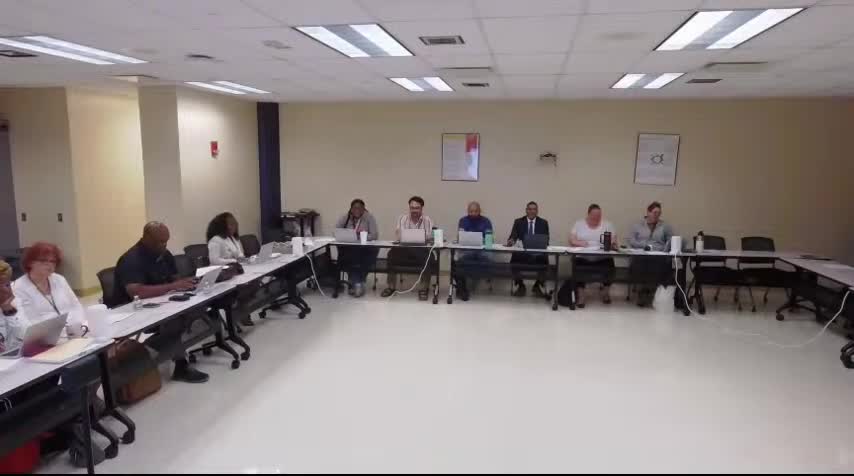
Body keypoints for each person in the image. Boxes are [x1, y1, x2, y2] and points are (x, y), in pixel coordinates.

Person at [113, 222, 208, 383]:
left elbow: (174, 279)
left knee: (195, 308)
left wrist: (187, 283)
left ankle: (159, 347)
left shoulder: (164, 254)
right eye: (160, 242)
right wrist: (172, 286)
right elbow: (136, 292)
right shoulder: (131, 259)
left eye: (166, 241)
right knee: (174, 321)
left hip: (160, 301)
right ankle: (179, 364)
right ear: (146, 238)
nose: (164, 245)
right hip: (131, 309)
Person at [12, 242, 87, 330]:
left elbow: (76, 305)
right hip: (43, 334)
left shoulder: (59, 279)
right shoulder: (18, 287)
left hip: (73, 329)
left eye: (53, 261)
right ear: (30, 262)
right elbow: (23, 322)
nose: (49, 264)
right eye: (43, 261)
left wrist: (79, 324)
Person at [382, 196, 436, 300]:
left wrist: (413, 237)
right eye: (412, 208)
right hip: (404, 249)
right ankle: (391, 287)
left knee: (430, 257)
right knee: (391, 254)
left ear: (422, 208)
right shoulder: (402, 218)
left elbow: (429, 237)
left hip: (421, 249)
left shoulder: (427, 220)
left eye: (417, 208)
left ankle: (424, 289)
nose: (414, 210)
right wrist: (416, 236)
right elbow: (399, 235)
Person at [628, 201, 676, 307]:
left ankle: (654, 292)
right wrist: (644, 245)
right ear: (648, 212)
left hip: (659, 256)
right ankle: (643, 292)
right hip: (641, 255)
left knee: (664, 265)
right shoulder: (638, 225)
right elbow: (631, 241)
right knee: (640, 264)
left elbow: (671, 241)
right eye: (655, 212)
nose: (657, 215)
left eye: (659, 213)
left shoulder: (665, 226)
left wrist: (659, 248)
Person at [569, 204, 617, 307]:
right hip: (583, 257)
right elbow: (572, 240)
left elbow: (614, 240)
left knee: (610, 264)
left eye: (599, 215)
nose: (596, 218)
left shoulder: (607, 225)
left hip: (602, 257)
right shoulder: (579, 224)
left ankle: (605, 292)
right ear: (588, 214)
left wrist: (611, 244)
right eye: (594, 215)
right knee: (577, 265)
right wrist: (580, 243)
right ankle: (581, 295)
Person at [335, 199, 379, 298]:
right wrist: (349, 236)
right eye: (355, 208)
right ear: (351, 209)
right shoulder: (345, 217)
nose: (357, 210)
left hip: (365, 247)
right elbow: (336, 231)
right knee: (352, 256)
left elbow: (374, 235)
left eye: (360, 208)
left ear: (364, 209)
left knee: (371, 252)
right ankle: (358, 283)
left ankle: (356, 282)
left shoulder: (369, 217)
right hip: (349, 247)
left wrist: (360, 236)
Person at [507, 201, 550, 298]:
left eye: (534, 209)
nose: (532, 211)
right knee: (514, 258)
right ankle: (520, 285)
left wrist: (541, 244)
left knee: (544, 259)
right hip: (522, 254)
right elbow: (513, 236)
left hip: (537, 254)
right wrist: (511, 241)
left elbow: (546, 240)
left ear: (537, 211)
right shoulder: (518, 222)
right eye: (530, 209)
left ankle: (537, 285)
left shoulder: (543, 223)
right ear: (526, 210)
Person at [454, 201, 494, 301]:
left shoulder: (486, 221)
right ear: (468, 211)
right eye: (471, 211)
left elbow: (490, 238)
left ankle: (474, 279)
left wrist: (482, 240)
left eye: (475, 211)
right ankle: (462, 289)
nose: (473, 213)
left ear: (480, 211)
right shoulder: (463, 220)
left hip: (482, 249)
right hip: (467, 249)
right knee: (457, 263)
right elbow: (460, 236)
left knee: (487, 258)